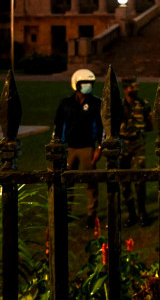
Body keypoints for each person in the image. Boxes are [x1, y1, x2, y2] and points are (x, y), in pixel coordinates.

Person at [54, 68, 104, 229]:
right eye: (84, 83)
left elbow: (102, 127)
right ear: (76, 84)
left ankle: (91, 215)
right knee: (67, 182)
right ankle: (67, 212)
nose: (87, 86)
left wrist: (99, 147)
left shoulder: (97, 103)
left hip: (87, 148)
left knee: (90, 183)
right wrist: (58, 145)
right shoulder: (66, 103)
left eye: (90, 83)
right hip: (69, 149)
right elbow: (59, 125)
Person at [120, 76, 153, 227]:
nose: (135, 90)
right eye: (132, 87)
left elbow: (150, 124)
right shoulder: (119, 106)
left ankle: (142, 213)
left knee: (140, 180)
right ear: (125, 89)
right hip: (123, 148)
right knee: (125, 183)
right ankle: (131, 214)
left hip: (138, 146)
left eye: (136, 87)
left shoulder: (143, 104)